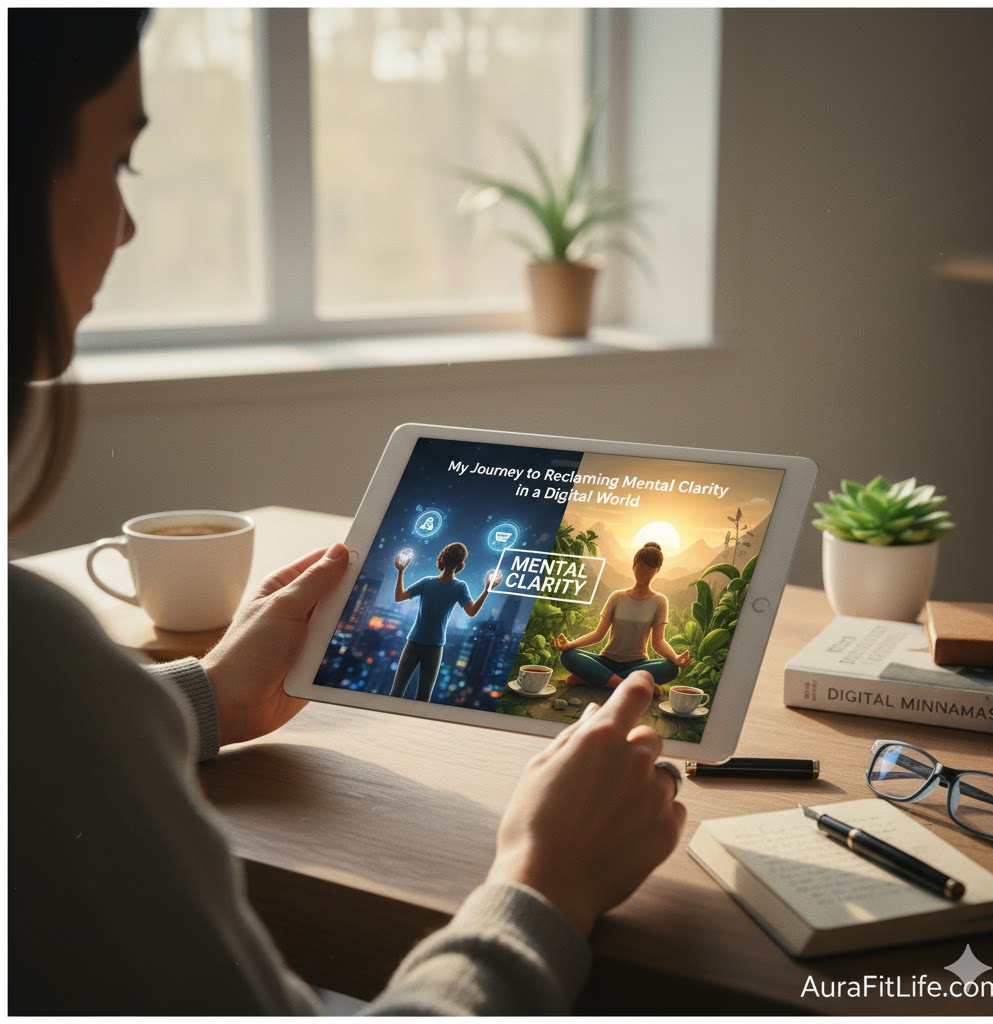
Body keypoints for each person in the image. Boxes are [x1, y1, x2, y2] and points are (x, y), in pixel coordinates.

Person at [7, 10, 685, 1015]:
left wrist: (201, 699)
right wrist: (545, 884)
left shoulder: (49, 677)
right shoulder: (35, 657)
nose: (127, 224)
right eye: (120, 163)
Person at [552, 541, 693, 689]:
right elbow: (598, 634)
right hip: (606, 661)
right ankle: (631, 685)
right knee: (568, 656)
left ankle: (596, 679)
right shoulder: (617, 597)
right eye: (640, 565)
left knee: (670, 668)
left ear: (657, 570)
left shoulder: (660, 601)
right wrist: (569, 645)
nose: (643, 570)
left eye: (649, 567)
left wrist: (676, 658)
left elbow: (658, 642)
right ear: (634, 566)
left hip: (638, 664)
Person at [389, 542, 498, 701]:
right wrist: (401, 571)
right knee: (410, 695)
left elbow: (471, 611)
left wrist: (487, 589)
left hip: (429, 645)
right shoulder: (433, 582)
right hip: (420, 644)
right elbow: (399, 597)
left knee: (414, 696)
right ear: (461, 563)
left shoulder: (456, 586)